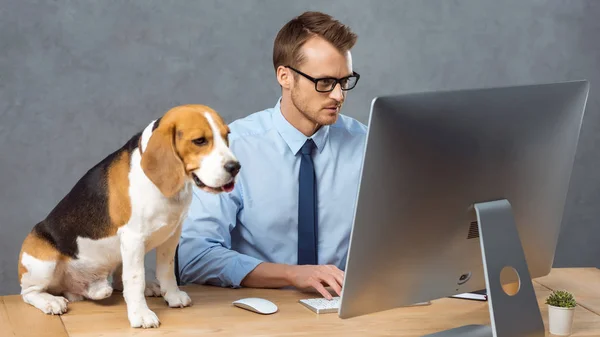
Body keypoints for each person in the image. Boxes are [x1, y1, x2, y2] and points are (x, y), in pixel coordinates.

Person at [177, 11, 367, 300]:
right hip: (264, 315)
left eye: (345, 81)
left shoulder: (367, 145)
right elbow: (195, 256)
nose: (339, 95)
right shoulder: (234, 149)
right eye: (325, 82)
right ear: (285, 76)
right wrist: (292, 274)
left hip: (345, 313)